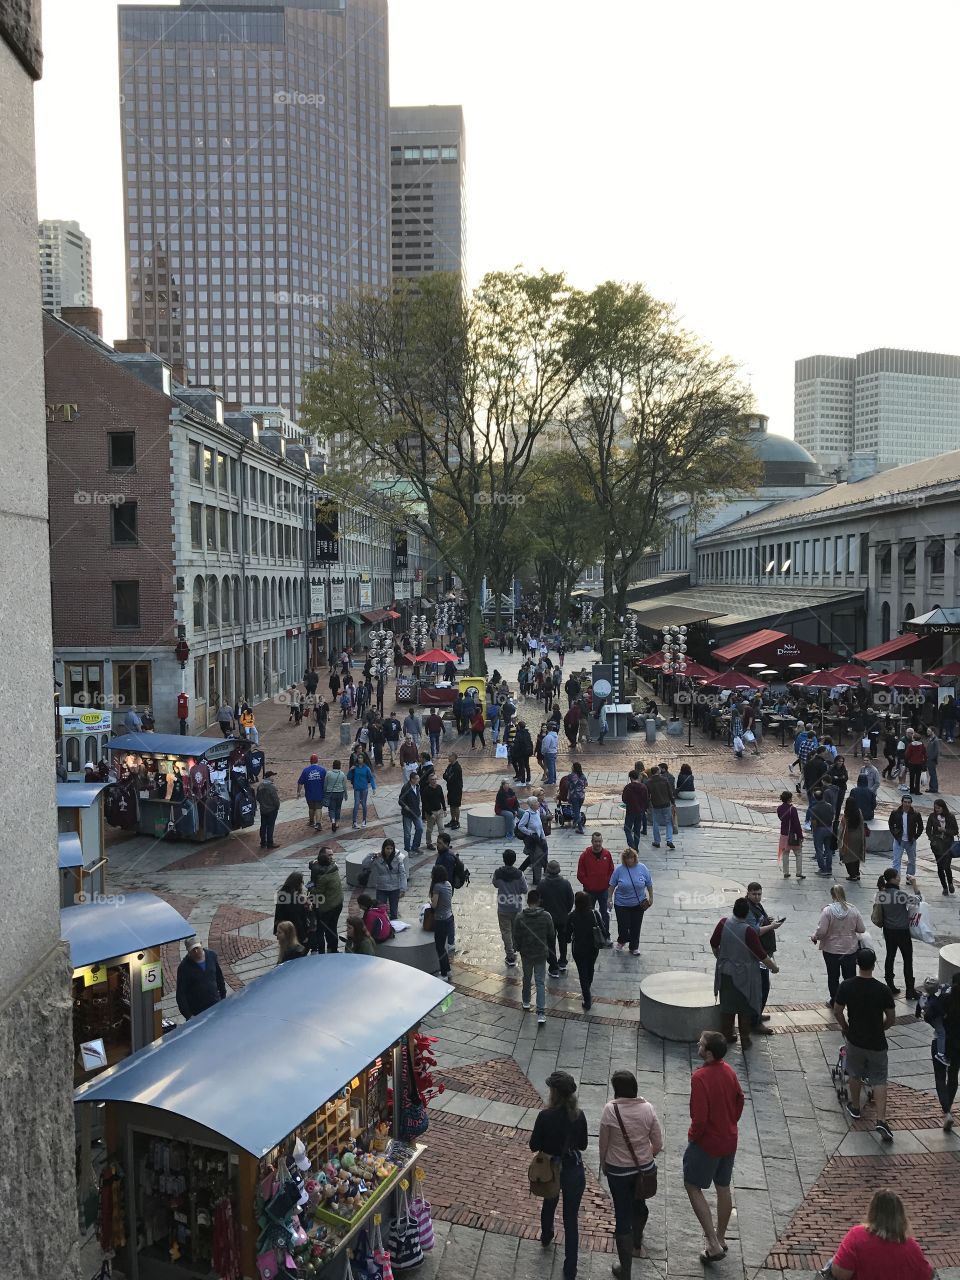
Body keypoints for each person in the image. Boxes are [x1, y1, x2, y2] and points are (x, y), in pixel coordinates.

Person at [683, 1030, 745, 1265]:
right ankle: (721, 1237)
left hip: (707, 1143)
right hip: (729, 1139)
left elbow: (699, 1119)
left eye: (700, 1044)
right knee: (723, 1187)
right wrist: (731, 1121)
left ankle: (712, 1242)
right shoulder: (729, 1070)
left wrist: (692, 1137)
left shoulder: (700, 1078)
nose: (697, 1045)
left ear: (708, 1053)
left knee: (692, 1184)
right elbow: (740, 1099)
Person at [599, 1070, 663, 1278]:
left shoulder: (610, 1110)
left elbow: (604, 1143)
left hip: (617, 1172)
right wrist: (646, 1158)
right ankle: (637, 1239)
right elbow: (658, 1144)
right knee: (639, 1204)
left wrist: (604, 1165)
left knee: (622, 1215)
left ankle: (625, 1270)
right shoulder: (648, 1109)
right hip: (643, 1170)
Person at [528, 1071, 587, 1279]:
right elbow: (583, 1145)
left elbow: (533, 1145)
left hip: (550, 1170)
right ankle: (570, 1267)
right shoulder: (579, 1115)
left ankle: (546, 1234)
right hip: (573, 1169)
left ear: (554, 1093)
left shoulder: (545, 1116)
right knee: (571, 1219)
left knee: (549, 1202)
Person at [833, 947, 897, 1140]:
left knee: (854, 1072)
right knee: (879, 1078)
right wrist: (882, 1028)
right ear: (874, 963)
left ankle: (855, 1106)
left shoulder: (847, 986)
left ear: (857, 964)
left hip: (855, 1038)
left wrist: (845, 1026)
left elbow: (837, 1010)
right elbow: (892, 1018)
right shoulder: (883, 989)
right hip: (877, 1041)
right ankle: (881, 1119)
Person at [710, 898, 779, 1047]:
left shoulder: (723, 923)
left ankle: (727, 1035)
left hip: (726, 973)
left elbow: (713, 943)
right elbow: (761, 955)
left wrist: (720, 956)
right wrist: (774, 968)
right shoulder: (748, 930)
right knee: (745, 1007)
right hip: (745, 976)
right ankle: (745, 1039)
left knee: (727, 1006)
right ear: (746, 912)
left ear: (733, 909)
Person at [820, 1190, 933, 1280]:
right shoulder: (912, 1248)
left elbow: (840, 1273)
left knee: (831, 1264)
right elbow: (926, 1275)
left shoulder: (857, 1235)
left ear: (872, 1212)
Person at [811, 883, 867, 1005]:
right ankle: (851, 999)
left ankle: (834, 1000)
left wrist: (815, 936)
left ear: (832, 895)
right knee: (850, 976)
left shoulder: (827, 911)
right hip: (850, 949)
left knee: (833, 976)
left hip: (831, 950)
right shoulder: (853, 909)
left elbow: (822, 931)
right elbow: (861, 929)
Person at [513, 888, 556, 1025]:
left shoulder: (520, 917)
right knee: (540, 981)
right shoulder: (546, 916)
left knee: (526, 977)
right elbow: (551, 935)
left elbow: (516, 936)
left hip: (526, 953)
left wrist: (518, 947)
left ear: (527, 901)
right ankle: (541, 1012)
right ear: (539, 901)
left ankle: (526, 1001)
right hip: (541, 953)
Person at [744, 882, 782, 1032]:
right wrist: (772, 926)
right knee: (761, 988)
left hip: (762, 951)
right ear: (748, 893)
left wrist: (768, 920)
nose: (757, 896)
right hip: (757, 954)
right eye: (754, 894)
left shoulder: (756, 906)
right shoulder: (748, 908)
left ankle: (757, 1014)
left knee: (762, 988)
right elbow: (755, 931)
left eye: (759, 894)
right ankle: (755, 1022)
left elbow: (758, 922)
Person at [874, 868, 917, 999]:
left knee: (890, 956)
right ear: (893, 878)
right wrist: (914, 884)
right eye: (898, 876)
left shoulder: (882, 894)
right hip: (902, 931)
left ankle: (890, 985)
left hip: (888, 930)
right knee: (907, 959)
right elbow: (918, 900)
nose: (899, 878)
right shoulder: (900, 895)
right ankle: (910, 989)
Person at [608, 848, 653, 957]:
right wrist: (609, 898)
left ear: (635, 858)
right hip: (621, 904)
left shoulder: (642, 868)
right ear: (624, 859)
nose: (629, 860)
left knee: (636, 926)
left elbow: (649, 883)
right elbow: (612, 885)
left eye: (631, 858)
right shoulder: (619, 870)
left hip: (638, 903)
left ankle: (634, 946)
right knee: (623, 926)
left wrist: (651, 897)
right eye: (627, 858)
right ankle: (622, 940)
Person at [577, 832, 615, 945]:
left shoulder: (607, 854)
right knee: (588, 914)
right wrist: (589, 884)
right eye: (595, 841)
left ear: (602, 841)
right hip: (589, 892)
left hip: (603, 891)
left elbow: (611, 871)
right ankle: (588, 936)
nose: (598, 844)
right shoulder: (584, 855)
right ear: (592, 842)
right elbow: (580, 874)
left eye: (599, 841)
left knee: (605, 914)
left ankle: (605, 936)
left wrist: (607, 884)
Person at [933, 973, 960, 1131]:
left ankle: (947, 1111)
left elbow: (930, 1014)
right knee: (953, 1076)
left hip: (942, 1043)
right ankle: (948, 1107)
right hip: (958, 1045)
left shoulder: (945, 999)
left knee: (940, 1076)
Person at [539, 860, 575, 978]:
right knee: (563, 939)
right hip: (563, 917)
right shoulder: (566, 883)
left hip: (548, 919)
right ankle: (563, 961)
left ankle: (553, 967)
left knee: (550, 942)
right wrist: (566, 911)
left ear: (548, 870)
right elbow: (571, 900)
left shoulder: (542, 884)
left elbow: (539, 902)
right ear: (559, 870)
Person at [493, 848, 528, 968]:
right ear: (514, 860)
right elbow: (525, 890)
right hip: (516, 907)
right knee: (515, 930)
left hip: (503, 908)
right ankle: (515, 949)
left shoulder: (498, 872)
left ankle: (510, 955)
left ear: (504, 860)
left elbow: (495, 884)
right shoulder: (519, 874)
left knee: (506, 931)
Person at [176, 938, 226, 1019]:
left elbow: (219, 977)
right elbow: (180, 994)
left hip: (216, 1003)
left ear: (201, 945)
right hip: (198, 1011)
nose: (195, 951)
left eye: (197, 948)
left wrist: (223, 997)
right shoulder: (184, 967)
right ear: (188, 951)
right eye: (192, 950)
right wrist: (189, 1016)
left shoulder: (212, 956)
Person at [567, 891, 601, 1010]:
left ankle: (587, 998)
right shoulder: (594, 914)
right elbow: (603, 929)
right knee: (590, 968)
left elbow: (567, 934)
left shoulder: (572, 915)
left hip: (578, 948)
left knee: (582, 973)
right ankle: (587, 988)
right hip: (593, 948)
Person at [308, 847, 343, 953]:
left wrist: (309, 885)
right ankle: (333, 949)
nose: (332, 858)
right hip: (338, 903)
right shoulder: (333, 866)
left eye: (332, 855)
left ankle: (322, 953)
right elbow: (317, 863)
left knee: (320, 931)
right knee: (332, 928)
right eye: (329, 855)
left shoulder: (324, 877)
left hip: (327, 908)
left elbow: (316, 893)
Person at [362, 838, 407, 919]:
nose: (389, 851)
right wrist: (372, 855)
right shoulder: (378, 857)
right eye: (387, 848)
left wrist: (403, 888)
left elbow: (402, 873)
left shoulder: (398, 858)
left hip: (394, 888)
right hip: (382, 888)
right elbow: (365, 864)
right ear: (383, 848)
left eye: (391, 848)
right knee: (381, 911)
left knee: (394, 912)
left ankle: (393, 928)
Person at [888, 795, 922, 883]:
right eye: (905, 802)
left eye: (909, 802)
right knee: (896, 860)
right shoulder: (895, 813)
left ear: (911, 803)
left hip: (910, 841)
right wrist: (895, 834)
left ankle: (909, 877)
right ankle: (896, 878)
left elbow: (920, 827)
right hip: (899, 840)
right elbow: (891, 824)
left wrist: (915, 837)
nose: (907, 804)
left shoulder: (916, 814)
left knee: (912, 860)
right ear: (902, 802)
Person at [926, 797, 957, 894]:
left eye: (939, 808)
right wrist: (932, 839)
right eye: (935, 808)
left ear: (943, 807)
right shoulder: (932, 816)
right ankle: (944, 887)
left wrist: (945, 831)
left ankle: (950, 883)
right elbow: (928, 829)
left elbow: (955, 831)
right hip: (937, 845)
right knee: (940, 866)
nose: (937, 810)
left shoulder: (950, 817)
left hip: (948, 845)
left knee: (947, 866)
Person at [429, 866, 454, 978]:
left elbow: (434, 905)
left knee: (440, 947)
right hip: (449, 917)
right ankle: (447, 969)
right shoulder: (448, 883)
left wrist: (430, 903)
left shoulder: (437, 887)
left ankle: (444, 973)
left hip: (441, 919)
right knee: (443, 946)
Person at [516, 798, 549, 885]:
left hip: (539, 838)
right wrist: (530, 833)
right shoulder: (527, 814)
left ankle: (519, 871)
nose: (538, 803)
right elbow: (520, 826)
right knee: (536, 857)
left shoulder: (537, 812)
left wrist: (543, 837)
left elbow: (540, 826)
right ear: (532, 805)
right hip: (532, 839)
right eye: (536, 802)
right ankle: (536, 880)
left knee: (533, 856)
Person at [273, 871, 311, 944]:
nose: (302, 883)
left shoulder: (282, 893)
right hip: (293, 931)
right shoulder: (292, 899)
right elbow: (297, 919)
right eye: (301, 881)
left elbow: (278, 913)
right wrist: (303, 937)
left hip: (283, 928)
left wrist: (276, 930)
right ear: (297, 883)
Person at [776, 790, 805, 879]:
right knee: (798, 853)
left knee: (785, 853)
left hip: (783, 834)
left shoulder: (779, 808)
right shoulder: (793, 809)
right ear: (789, 799)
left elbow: (781, 818)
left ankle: (786, 872)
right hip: (793, 835)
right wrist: (800, 835)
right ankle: (799, 872)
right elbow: (796, 823)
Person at [838, 794, 866, 881]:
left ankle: (852, 875)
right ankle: (857, 873)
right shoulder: (859, 811)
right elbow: (862, 824)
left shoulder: (846, 815)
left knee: (847, 857)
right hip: (858, 836)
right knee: (856, 856)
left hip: (849, 838)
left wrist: (839, 841)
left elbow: (841, 829)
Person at [646, 767, 675, 850]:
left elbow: (647, 795)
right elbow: (670, 792)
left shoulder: (648, 782)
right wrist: (673, 801)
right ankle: (669, 840)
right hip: (666, 804)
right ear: (658, 771)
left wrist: (648, 805)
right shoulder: (664, 780)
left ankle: (657, 841)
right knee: (669, 822)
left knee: (656, 823)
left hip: (656, 805)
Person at [809, 788, 836, 875]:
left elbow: (814, 822)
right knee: (828, 850)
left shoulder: (814, 808)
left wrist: (814, 831)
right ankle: (829, 868)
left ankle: (823, 869)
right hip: (829, 828)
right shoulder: (829, 806)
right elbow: (832, 816)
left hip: (819, 829)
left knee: (819, 850)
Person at [296, 754, 327, 832]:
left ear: (310, 761)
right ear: (317, 760)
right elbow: (327, 782)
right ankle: (318, 823)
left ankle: (311, 821)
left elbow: (300, 783)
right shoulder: (322, 770)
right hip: (320, 793)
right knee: (318, 808)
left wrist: (298, 792)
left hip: (309, 793)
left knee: (311, 808)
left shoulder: (306, 770)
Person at [621, 770, 648, 849]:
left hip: (631, 811)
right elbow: (646, 800)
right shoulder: (643, 787)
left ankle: (631, 845)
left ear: (631, 777)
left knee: (627, 829)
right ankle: (636, 846)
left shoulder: (628, 787)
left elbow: (624, 799)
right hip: (640, 811)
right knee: (637, 829)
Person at [398, 772, 424, 853]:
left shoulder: (417, 786)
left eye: (418, 778)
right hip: (407, 814)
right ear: (412, 779)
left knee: (420, 829)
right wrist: (405, 806)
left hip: (416, 812)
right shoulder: (406, 787)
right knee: (407, 833)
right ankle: (407, 850)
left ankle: (415, 847)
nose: (418, 780)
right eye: (416, 779)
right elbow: (400, 800)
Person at [421, 770, 447, 849]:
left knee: (441, 828)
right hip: (431, 813)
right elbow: (424, 803)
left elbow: (442, 798)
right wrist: (429, 813)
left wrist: (444, 809)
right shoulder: (426, 790)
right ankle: (429, 843)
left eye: (435, 779)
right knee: (429, 829)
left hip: (439, 811)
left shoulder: (439, 787)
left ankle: (442, 843)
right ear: (429, 781)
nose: (434, 781)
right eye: (432, 779)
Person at [256, 771, 281, 849]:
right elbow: (276, 800)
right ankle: (270, 843)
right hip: (271, 810)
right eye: (272, 776)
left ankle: (263, 842)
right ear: (269, 777)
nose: (273, 778)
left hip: (263, 809)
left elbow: (257, 798)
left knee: (263, 826)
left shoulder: (260, 786)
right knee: (270, 827)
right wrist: (277, 807)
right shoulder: (271, 787)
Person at [563, 762, 587, 835]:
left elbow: (566, 785)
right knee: (577, 810)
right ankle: (575, 823)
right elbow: (586, 784)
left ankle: (580, 828)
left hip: (574, 796)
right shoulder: (582, 776)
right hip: (582, 796)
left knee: (576, 812)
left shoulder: (571, 776)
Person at [443, 752, 463, 829]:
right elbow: (444, 775)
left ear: (454, 757)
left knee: (456, 806)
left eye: (449, 756)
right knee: (451, 805)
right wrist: (447, 776)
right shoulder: (449, 766)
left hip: (456, 789)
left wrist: (447, 776)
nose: (448, 757)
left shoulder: (457, 767)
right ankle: (452, 820)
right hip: (450, 789)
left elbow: (451, 778)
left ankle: (457, 821)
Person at [904, 729, 927, 795]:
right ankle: (917, 790)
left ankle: (911, 789)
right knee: (918, 777)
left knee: (911, 776)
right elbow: (924, 754)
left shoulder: (911, 745)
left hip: (912, 763)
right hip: (919, 763)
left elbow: (907, 754)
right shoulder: (922, 745)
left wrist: (907, 761)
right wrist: (924, 761)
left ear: (913, 738)